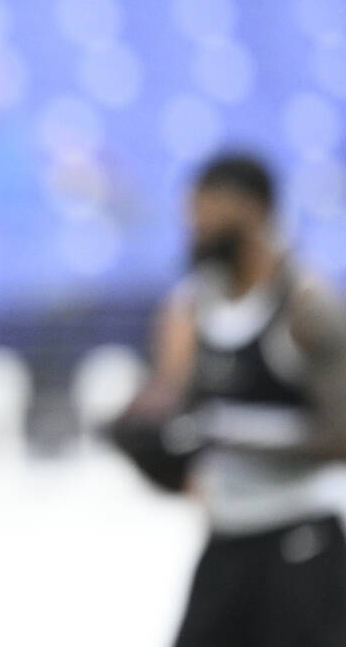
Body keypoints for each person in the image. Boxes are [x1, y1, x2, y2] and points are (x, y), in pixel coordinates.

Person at [118, 154, 346, 647]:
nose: (193, 227)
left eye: (206, 212)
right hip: (226, 538)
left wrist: (224, 431)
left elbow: (340, 436)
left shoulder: (307, 308)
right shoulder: (190, 310)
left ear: (254, 211)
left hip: (304, 540)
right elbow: (175, 417)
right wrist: (141, 432)